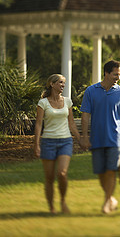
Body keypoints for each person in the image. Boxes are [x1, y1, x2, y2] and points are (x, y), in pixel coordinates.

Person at [80, 60, 120, 214]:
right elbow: (85, 115)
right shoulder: (91, 91)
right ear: (106, 73)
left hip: (115, 138)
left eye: (119, 74)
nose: (118, 78)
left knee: (111, 170)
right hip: (97, 138)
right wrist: (85, 136)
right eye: (115, 74)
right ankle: (111, 198)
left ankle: (107, 201)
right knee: (100, 172)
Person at [34, 74, 81, 214]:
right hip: (48, 141)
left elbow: (71, 123)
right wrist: (36, 145)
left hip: (65, 141)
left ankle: (63, 201)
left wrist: (80, 138)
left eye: (64, 83)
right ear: (52, 84)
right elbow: (38, 125)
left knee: (62, 173)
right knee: (49, 177)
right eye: (60, 82)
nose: (63, 85)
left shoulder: (67, 101)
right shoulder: (42, 103)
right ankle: (51, 207)